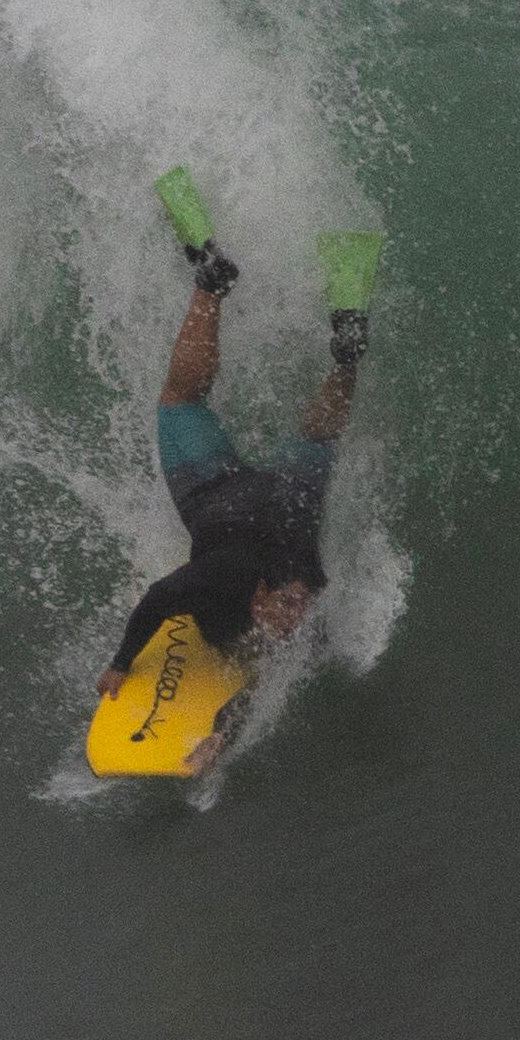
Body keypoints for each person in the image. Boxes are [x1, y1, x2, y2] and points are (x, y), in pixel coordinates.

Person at [96, 231, 366, 699]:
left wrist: (222, 728)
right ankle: (214, 283)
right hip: (220, 496)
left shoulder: (308, 586)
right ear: (259, 593)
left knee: (311, 436)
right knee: (184, 402)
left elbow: (272, 662)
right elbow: (159, 599)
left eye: (299, 604)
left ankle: (344, 356)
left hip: (282, 500)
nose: (295, 618)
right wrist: (122, 664)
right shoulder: (216, 580)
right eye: (288, 606)